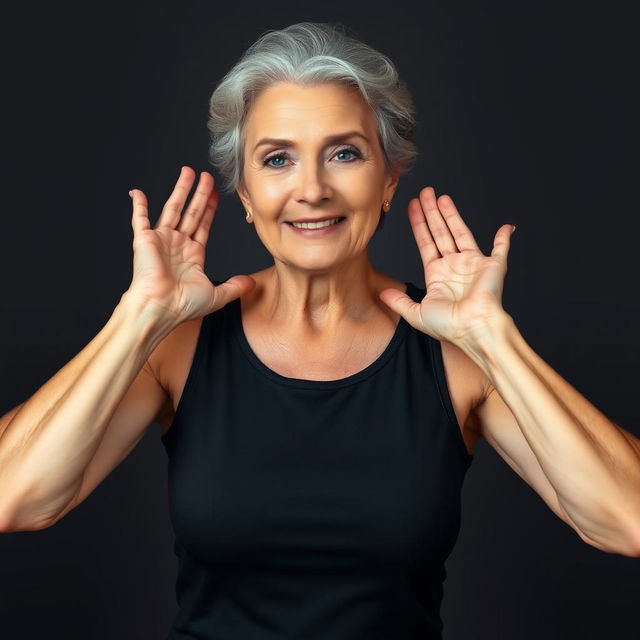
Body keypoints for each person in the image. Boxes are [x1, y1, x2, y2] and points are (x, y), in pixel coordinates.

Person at [1, 20, 639, 640]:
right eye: (277, 159)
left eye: (344, 153)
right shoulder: (176, 343)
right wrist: (137, 318)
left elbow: (626, 522)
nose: (311, 188)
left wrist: (495, 341)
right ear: (245, 195)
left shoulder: (458, 354)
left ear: (388, 180)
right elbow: (16, 500)